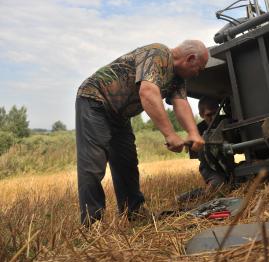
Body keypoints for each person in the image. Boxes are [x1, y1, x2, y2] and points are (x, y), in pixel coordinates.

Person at [75, 40, 208, 225]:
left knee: (126, 162)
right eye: (199, 68)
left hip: (119, 115)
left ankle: (134, 214)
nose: (198, 73)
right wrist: (170, 134)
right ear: (190, 58)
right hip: (94, 100)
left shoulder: (177, 78)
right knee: (93, 163)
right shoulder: (159, 53)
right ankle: (91, 223)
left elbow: (181, 103)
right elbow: (147, 92)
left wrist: (194, 133)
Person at [176, 97, 228, 203]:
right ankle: (184, 198)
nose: (213, 118)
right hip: (209, 169)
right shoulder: (197, 130)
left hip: (226, 164)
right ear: (201, 115)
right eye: (209, 115)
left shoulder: (226, 122)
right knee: (218, 186)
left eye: (215, 113)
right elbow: (191, 148)